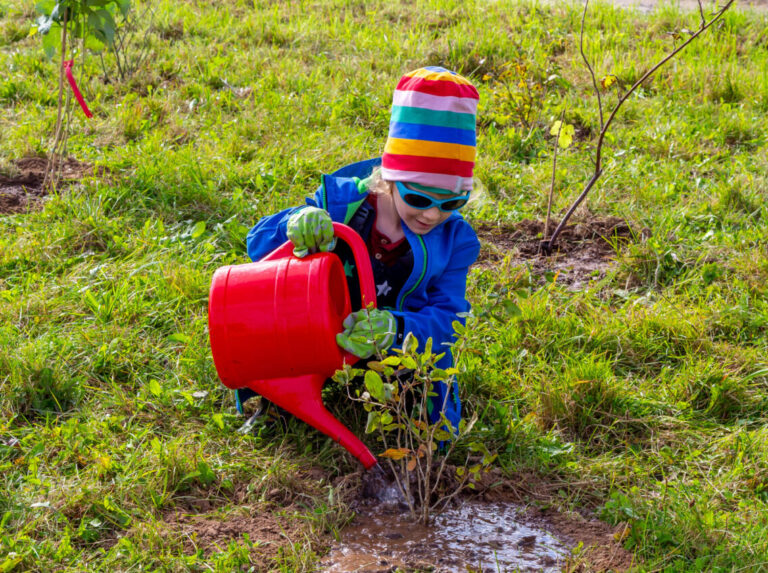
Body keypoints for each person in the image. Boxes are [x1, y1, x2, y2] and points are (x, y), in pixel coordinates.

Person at [239, 66, 480, 432]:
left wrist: (397, 329)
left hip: (394, 351)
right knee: (274, 318)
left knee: (436, 390)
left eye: (452, 203)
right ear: (390, 179)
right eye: (418, 197)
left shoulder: (455, 240)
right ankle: (274, 405)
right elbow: (259, 249)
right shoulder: (342, 206)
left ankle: (426, 439)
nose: (433, 215)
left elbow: (450, 321)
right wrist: (298, 222)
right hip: (320, 334)